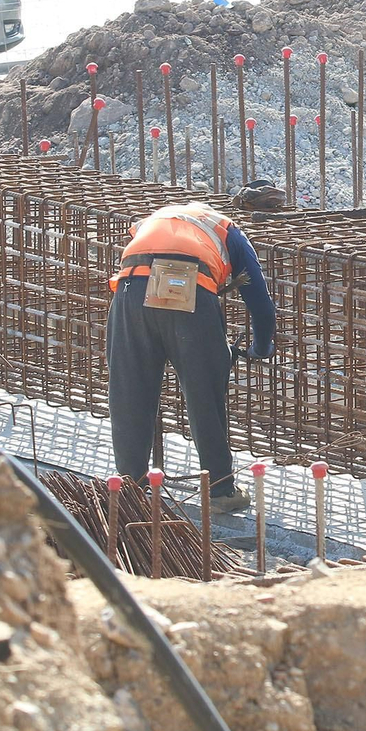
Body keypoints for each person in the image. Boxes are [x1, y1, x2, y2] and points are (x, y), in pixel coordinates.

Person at [107, 198, 277, 513]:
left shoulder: (155, 219)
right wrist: (261, 348)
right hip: (188, 290)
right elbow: (262, 306)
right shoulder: (228, 231)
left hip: (130, 292)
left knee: (129, 391)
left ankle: (130, 489)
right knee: (204, 393)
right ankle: (220, 492)